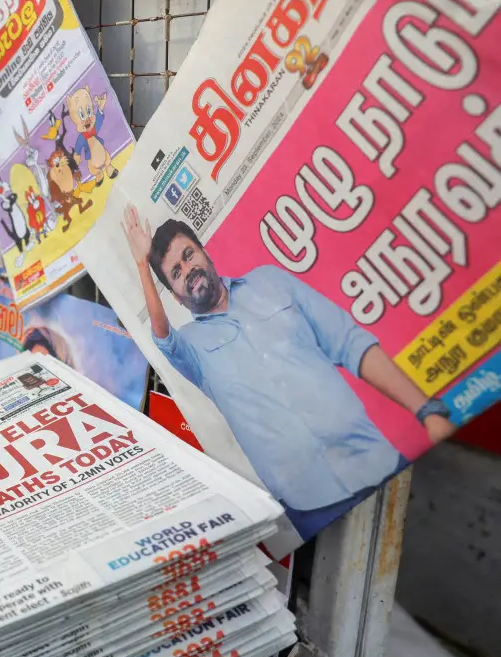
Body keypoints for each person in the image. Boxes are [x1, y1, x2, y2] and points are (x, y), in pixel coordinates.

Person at [121, 204, 457, 538]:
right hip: (310, 509)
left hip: (376, 460)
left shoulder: (271, 281)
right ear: (176, 298)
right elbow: (162, 336)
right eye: (176, 273)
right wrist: (142, 264)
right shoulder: (191, 349)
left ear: (205, 252)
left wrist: (426, 411)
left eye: (189, 254)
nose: (188, 269)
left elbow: (349, 342)